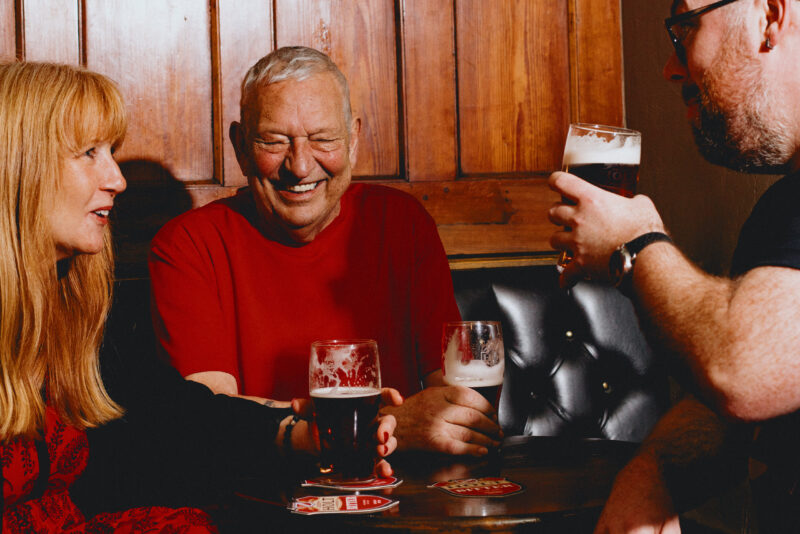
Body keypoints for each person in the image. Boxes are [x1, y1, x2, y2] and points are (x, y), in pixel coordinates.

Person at [0, 61, 398, 532]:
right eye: (88, 153)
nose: (117, 179)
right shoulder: (182, 248)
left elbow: (173, 415)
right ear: (20, 167)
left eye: (111, 151)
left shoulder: (70, 308)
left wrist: (301, 430)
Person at [148, 46, 503, 457]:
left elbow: (453, 392)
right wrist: (375, 430)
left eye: (323, 139)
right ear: (240, 146)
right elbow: (212, 418)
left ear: (352, 140)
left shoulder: (402, 222)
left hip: (398, 489)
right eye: (273, 141)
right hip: (262, 496)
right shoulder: (188, 245)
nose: (299, 166)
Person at [548, 0, 800, 531]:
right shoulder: (782, 209)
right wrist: (654, 474)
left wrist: (635, 244)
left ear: (770, 18)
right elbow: (750, 402)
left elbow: (742, 373)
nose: (670, 66)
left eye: (685, 27)